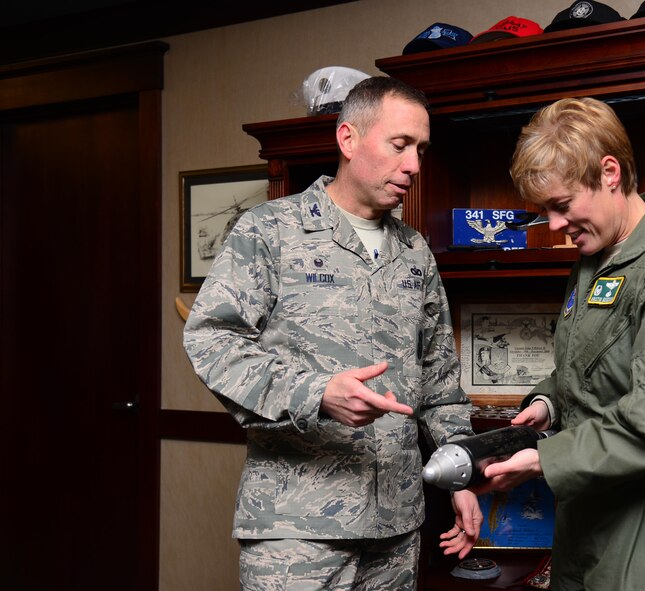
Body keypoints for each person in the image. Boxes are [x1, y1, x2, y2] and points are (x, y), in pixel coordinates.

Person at [183, 76, 481, 591]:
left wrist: (462, 471)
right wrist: (316, 394)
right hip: (296, 530)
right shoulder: (270, 229)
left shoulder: (414, 251)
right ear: (348, 139)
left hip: (396, 527)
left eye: (421, 149)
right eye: (399, 145)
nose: (413, 164)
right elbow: (212, 340)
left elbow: (440, 381)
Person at [476, 97, 645, 591]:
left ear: (610, 173)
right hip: (588, 524)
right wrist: (548, 401)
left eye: (562, 206)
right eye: (545, 211)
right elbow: (594, 369)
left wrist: (544, 459)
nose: (556, 226)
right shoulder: (595, 265)